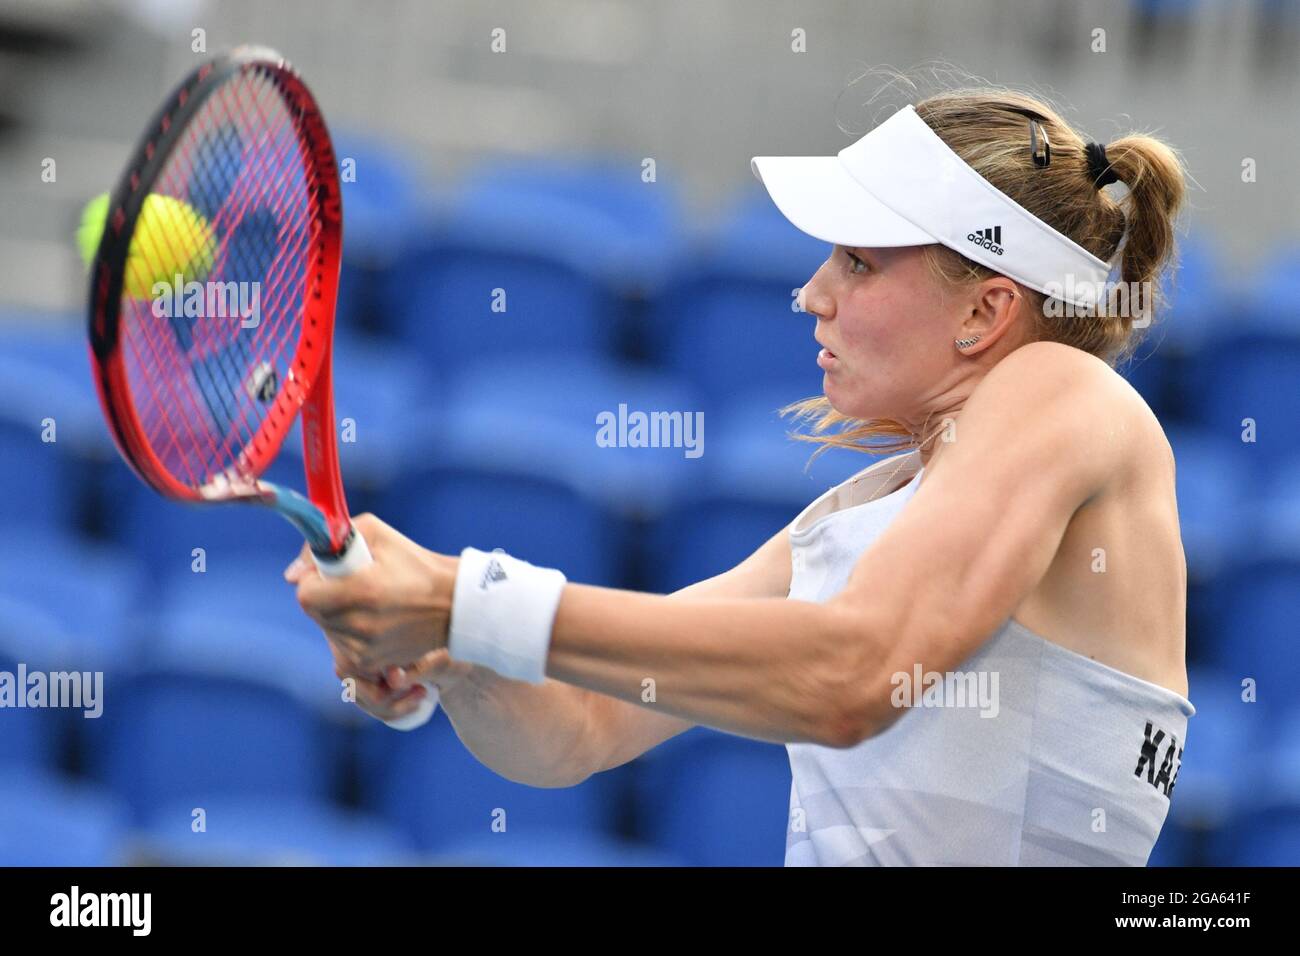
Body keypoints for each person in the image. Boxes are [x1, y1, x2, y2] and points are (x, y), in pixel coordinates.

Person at [286, 87, 1194, 866]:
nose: (812, 292)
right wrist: (459, 658)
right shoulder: (866, 513)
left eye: (858, 262)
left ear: (987, 308)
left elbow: (857, 678)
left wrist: (464, 599)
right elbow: (579, 728)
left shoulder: (1063, 392)